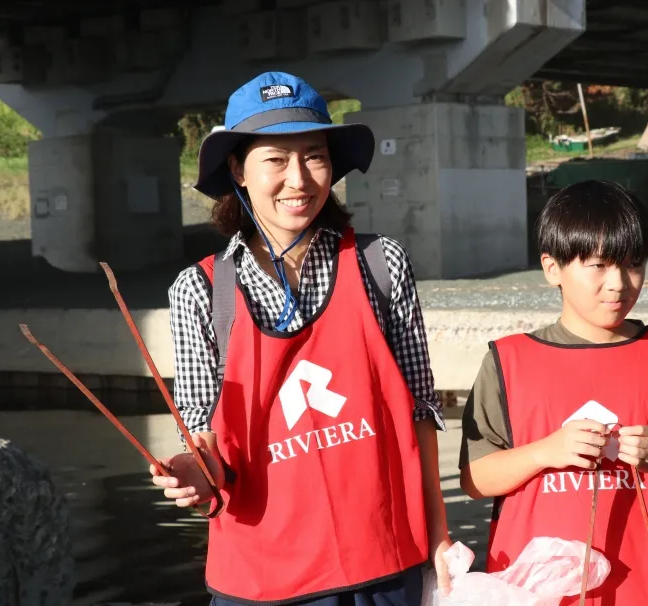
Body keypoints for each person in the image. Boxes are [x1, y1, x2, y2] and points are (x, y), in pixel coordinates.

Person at [149, 72, 452, 605]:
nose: (299, 179)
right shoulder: (200, 290)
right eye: (275, 160)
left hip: (385, 566)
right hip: (262, 581)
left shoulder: (381, 263)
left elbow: (420, 413)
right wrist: (191, 473)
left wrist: (440, 535)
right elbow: (203, 439)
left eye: (314, 156)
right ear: (238, 170)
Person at [458, 180, 648, 605]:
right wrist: (545, 451)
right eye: (599, 265)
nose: (619, 283)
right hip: (535, 590)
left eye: (634, 264)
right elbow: (475, 479)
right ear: (553, 269)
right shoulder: (508, 361)